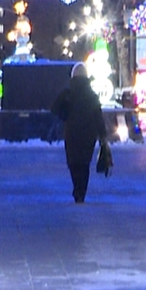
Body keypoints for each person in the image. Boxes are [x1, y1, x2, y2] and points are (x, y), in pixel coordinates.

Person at [52, 63, 108, 203]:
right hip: (89, 134)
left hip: (72, 133)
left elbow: (55, 109)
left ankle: (77, 188)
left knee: (73, 162)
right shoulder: (92, 96)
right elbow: (98, 117)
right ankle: (81, 191)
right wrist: (103, 136)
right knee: (84, 163)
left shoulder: (69, 94)